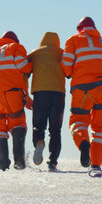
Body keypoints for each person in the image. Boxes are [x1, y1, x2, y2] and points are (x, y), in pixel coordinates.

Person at [61, 17, 102, 174]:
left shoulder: (74, 40)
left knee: (78, 122)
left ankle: (83, 144)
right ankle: (96, 164)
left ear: (80, 29)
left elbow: (66, 65)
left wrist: (69, 74)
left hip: (83, 89)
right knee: (100, 128)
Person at [0, 31, 32, 170]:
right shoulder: (16, 47)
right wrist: (30, 66)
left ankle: (3, 162)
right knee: (17, 124)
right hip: (12, 93)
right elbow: (24, 66)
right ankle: (19, 161)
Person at [27, 32, 66, 171]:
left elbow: (25, 71)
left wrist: (25, 95)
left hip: (40, 93)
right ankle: (53, 161)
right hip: (58, 94)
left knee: (38, 125)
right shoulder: (62, 53)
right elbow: (69, 72)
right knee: (55, 130)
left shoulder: (35, 53)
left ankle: (38, 142)